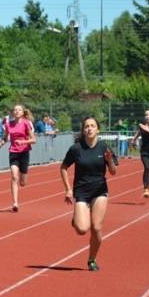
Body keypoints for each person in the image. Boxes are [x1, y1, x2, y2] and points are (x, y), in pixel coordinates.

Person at [60, 116, 117, 271]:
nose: (90, 129)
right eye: (87, 126)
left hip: (99, 190)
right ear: (83, 130)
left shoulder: (105, 147)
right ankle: (76, 219)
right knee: (82, 229)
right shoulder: (76, 149)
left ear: (98, 129)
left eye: (92, 126)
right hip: (81, 191)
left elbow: (113, 172)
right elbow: (63, 167)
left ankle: (92, 259)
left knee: (96, 228)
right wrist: (68, 189)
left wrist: (110, 161)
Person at [0, 104, 36, 212]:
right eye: (15, 110)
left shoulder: (26, 123)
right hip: (13, 152)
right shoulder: (8, 124)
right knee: (14, 177)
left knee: (22, 182)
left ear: (23, 112)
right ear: (13, 112)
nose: (17, 111)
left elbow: (34, 140)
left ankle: (22, 180)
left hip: (24, 152)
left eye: (19, 110)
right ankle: (15, 203)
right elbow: (5, 137)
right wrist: (2, 142)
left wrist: (23, 141)